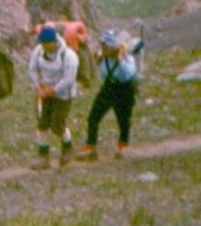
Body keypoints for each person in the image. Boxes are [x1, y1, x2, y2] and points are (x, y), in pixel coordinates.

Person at [77, 29, 142, 161]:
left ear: (114, 47)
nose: (103, 48)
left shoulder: (127, 59)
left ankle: (123, 146)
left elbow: (128, 74)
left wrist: (120, 58)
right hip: (109, 87)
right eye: (103, 45)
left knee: (123, 119)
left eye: (106, 46)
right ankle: (91, 147)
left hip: (125, 89)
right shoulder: (103, 57)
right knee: (94, 116)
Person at [27, 25, 79, 169]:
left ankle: (67, 148)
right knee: (42, 123)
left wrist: (53, 90)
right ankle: (43, 156)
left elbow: (69, 79)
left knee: (57, 124)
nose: (44, 46)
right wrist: (39, 86)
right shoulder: (38, 51)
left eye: (46, 43)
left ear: (54, 42)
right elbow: (32, 69)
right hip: (44, 91)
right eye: (42, 43)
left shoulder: (68, 56)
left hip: (63, 94)